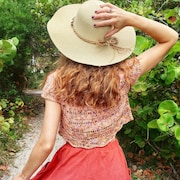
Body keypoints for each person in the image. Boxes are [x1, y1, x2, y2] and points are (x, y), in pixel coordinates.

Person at [13, 0, 178, 179]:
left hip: (73, 164)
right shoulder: (124, 74)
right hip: (111, 164)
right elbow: (170, 37)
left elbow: (46, 143)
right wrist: (131, 19)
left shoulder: (57, 81)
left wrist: (22, 176)